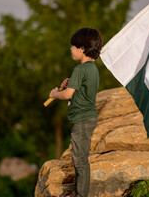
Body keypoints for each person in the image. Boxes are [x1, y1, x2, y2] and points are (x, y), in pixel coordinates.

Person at [49, 27, 103, 197]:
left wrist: (55, 94)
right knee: (81, 158)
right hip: (89, 117)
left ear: (82, 49)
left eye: (73, 46)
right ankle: (80, 191)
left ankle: (81, 194)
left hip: (82, 119)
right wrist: (71, 83)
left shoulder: (80, 69)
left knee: (79, 160)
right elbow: (80, 89)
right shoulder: (92, 69)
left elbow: (67, 94)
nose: (71, 49)